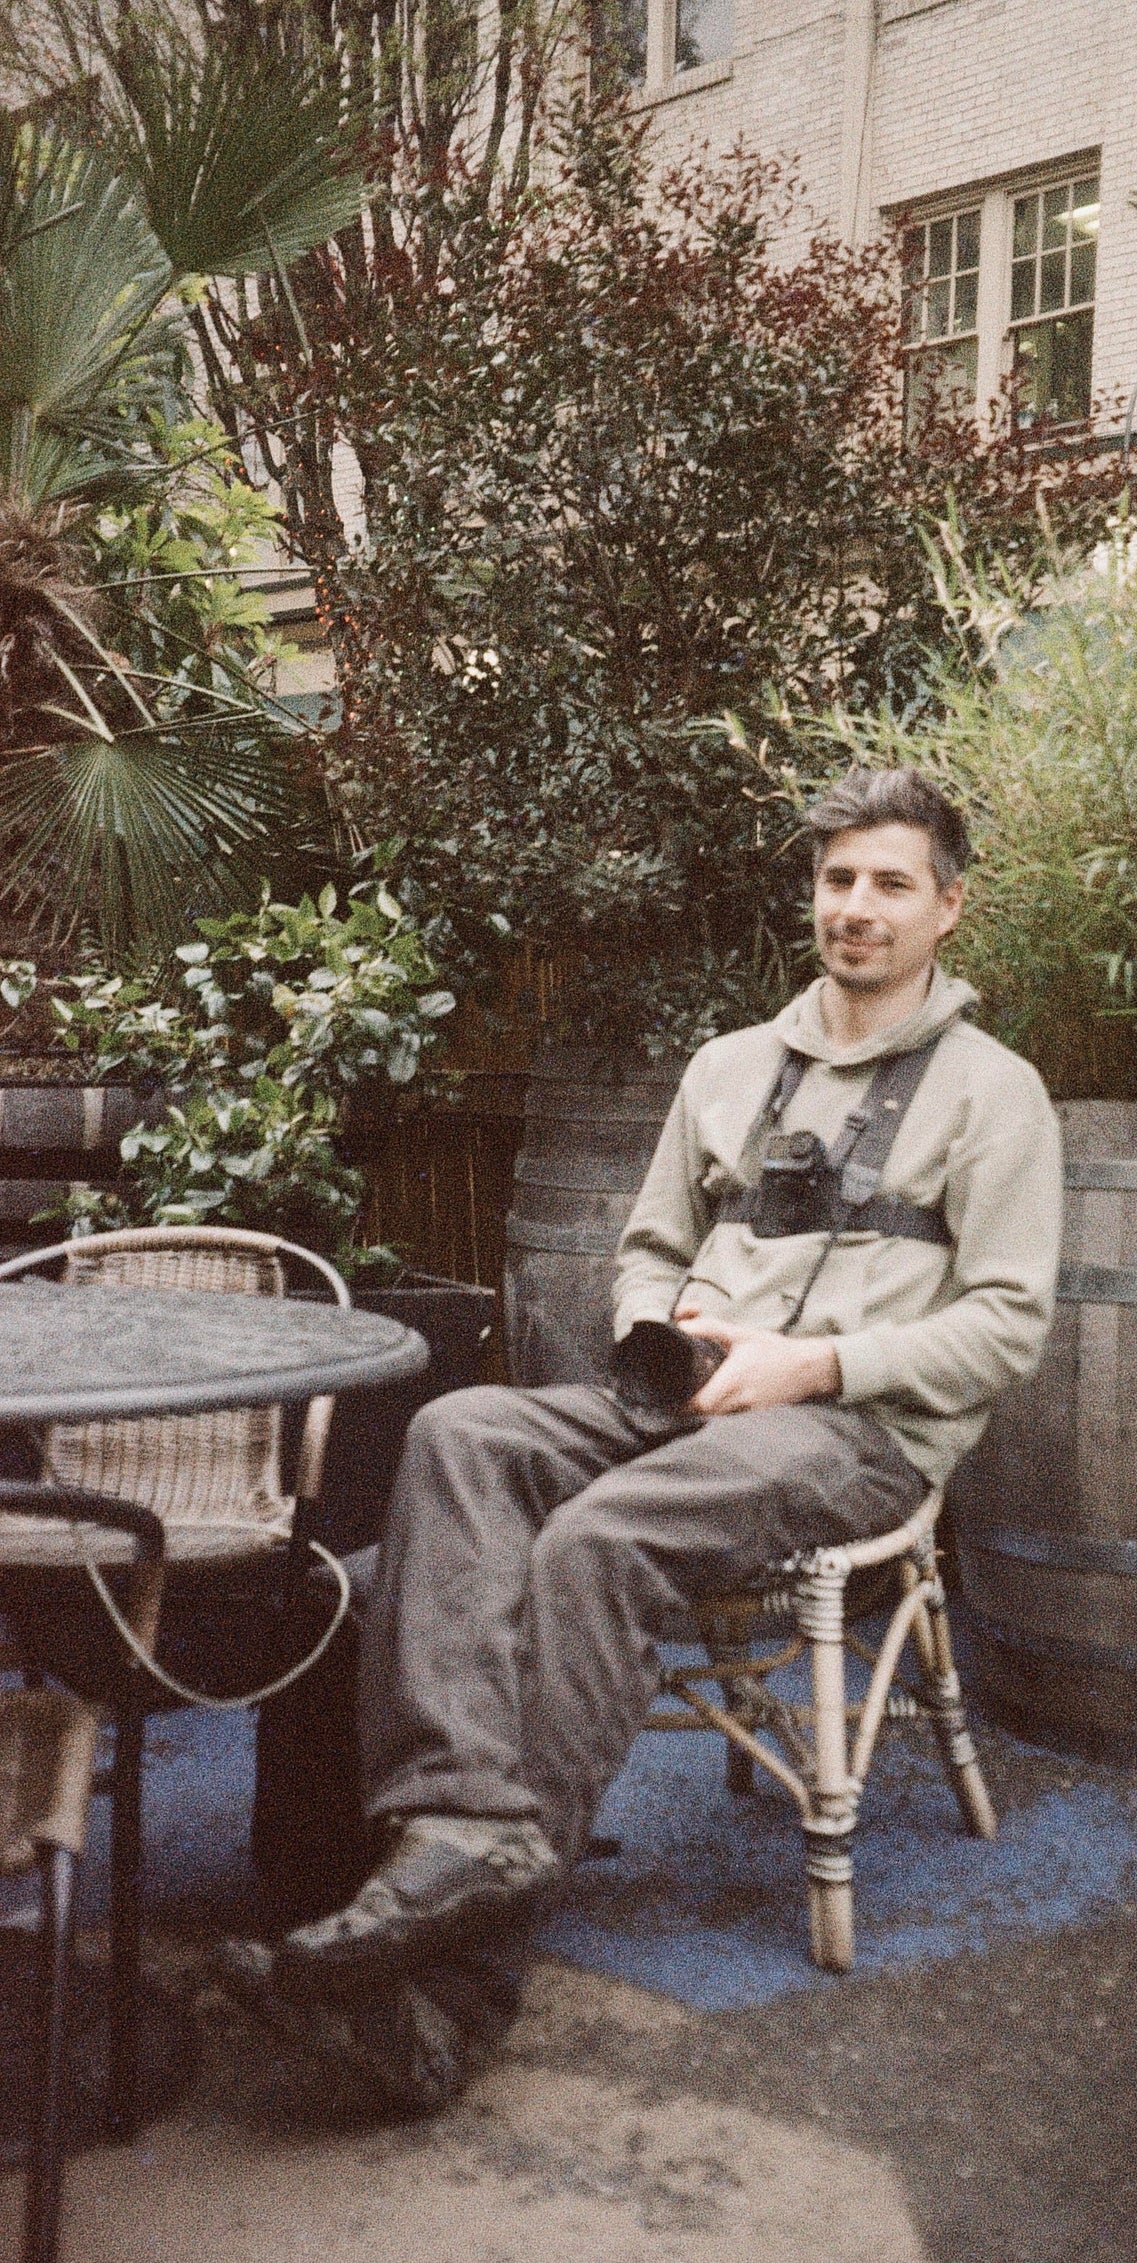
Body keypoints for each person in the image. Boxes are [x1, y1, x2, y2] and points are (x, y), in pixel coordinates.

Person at [221, 765, 1063, 2110]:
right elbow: (650, 1247)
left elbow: (1010, 1325)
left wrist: (815, 1360)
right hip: (682, 1404)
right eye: (838, 878)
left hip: (855, 1435)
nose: (857, 905)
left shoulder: (994, 1093)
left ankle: (447, 1988)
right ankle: (466, 1823)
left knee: (600, 1538)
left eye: (891, 883)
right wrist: (667, 1315)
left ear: (948, 909)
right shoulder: (731, 1067)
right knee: (461, 1430)